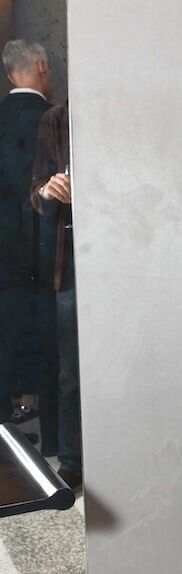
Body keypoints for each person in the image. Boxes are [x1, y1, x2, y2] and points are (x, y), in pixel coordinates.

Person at [0, 39, 53, 427]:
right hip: (37, 245)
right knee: (37, 327)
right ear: (41, 66)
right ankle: (32, 403)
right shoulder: (51, 119)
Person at [30, 101, 82, 490]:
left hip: (124, 248)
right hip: (73, 261)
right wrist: (49, 188)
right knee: (70, 373)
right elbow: (35, 191)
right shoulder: (57, 119)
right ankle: (73, 460)